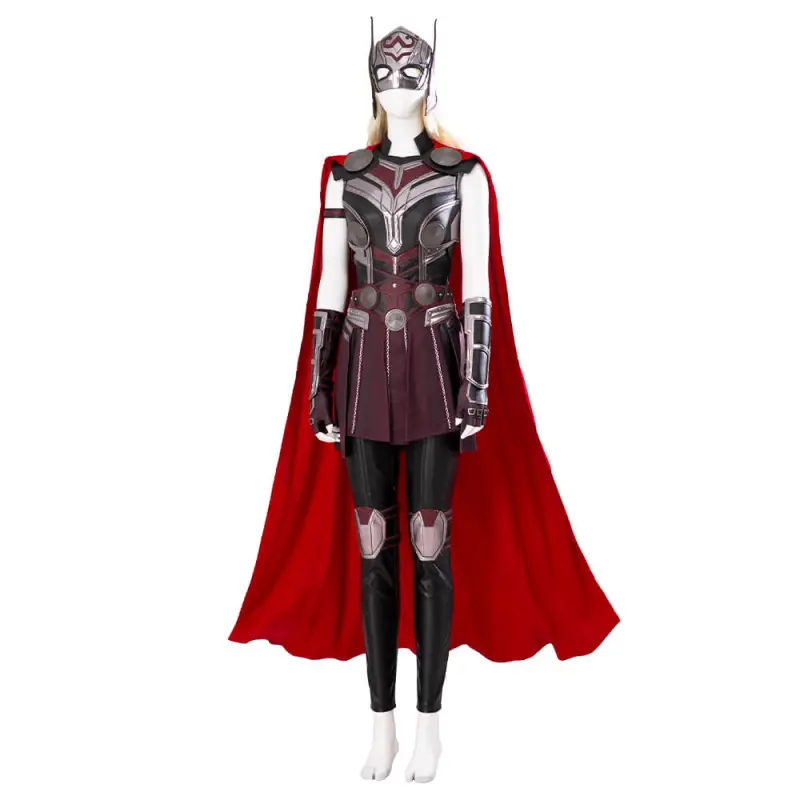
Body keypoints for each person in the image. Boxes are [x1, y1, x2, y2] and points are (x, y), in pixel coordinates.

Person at [230, 21, 619, 784]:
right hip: (363, 372)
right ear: (371, 82)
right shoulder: (343, 176)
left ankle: (430, 728)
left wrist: (477, 386)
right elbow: (332, 285)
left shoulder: (464, 175)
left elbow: (476, 289)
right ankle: (381, 725)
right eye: (387, 71)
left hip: (437, 374)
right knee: (374, 547)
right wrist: (318, 383)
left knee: (430, 546)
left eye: (413, 73)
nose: (400, 82)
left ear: (432, 82)